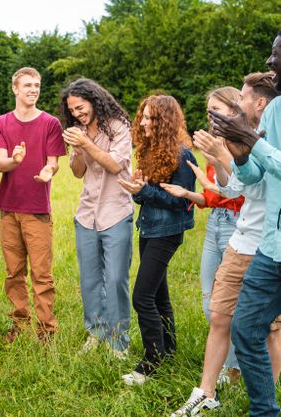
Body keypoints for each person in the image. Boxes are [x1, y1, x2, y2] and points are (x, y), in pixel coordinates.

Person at [171, 73, 281, 415]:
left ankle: (266, 393)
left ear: (257, 104)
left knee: (269, 330)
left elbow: (260, 187)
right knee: (219, 317)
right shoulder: (243, 137)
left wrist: (226, 154)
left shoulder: (268, 135)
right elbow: (235, 188)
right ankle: (205, 392)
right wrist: (222, 156)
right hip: (242, 240)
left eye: (239, 102)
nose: (219, 115)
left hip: (268, 246)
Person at [210, 31, 281, 416]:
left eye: (276, 55)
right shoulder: (274, 112)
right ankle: (264, 410)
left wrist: (249, 143)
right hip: (271, 247)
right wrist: (237, 152)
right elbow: (255, 177)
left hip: (266, 242)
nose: (270, 62)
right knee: (244, 328)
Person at [161, 87, 245, 380]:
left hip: (239, 224)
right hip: (216, 223)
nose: (211, 115)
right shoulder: (213, 146)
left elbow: (240, 189)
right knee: (210, 302)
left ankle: (233, 368)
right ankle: (228, 360)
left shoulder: (245, 144)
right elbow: (212, 197)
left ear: (235, 110)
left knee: (230, 303)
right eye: (209, 109)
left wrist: (220, 159)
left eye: (217, 109)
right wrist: (186, 192)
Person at [118, 95, 196, 385]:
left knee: (142, 297)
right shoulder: (151, 150)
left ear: (165, 122)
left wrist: (145, 192)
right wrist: (138, 190)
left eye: (151, 118)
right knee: (159, 296)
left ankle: (151, 362)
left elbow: (182, 202)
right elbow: (148, 195)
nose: (144, 123)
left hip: (167, 232)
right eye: (144, 117)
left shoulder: (183, 154)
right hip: (149, 228)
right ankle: (169, 352)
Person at [0, 67, 66, 343]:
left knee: (42, 274)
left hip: (37, 209)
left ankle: (47, 330)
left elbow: (53, 162)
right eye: (27, 85)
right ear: (15, 89)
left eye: (37, 85)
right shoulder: (1, 123)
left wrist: (48, 171)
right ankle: (19, 324)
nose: (33, 90)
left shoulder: (50, 124)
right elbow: (0, 162)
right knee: (14, 272)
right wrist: (15, 162)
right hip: (9, 208)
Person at [60, 78, 133, 357]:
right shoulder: (78, 131)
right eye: (73, 111)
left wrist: (87, 144)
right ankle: (96, 332)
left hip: (116, 211)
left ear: (94, 100)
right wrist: (78, 150)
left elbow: (115, 164)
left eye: (81, 107)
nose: (77, 114)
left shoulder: (118, 127)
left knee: (115, 279)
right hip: (87, 214)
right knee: (90, 279)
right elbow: (78, 171)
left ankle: (118, 341)